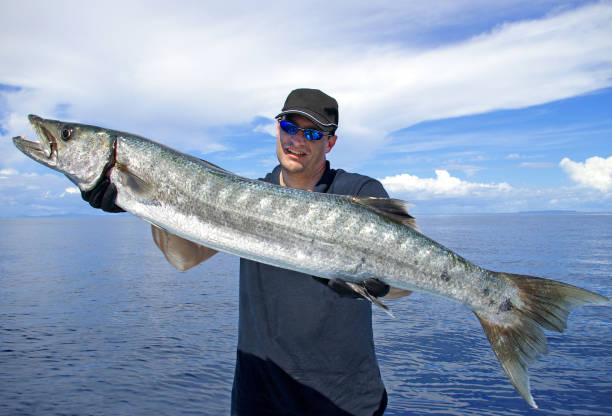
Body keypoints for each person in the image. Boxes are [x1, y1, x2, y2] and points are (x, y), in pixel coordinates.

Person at [83, 88, 411, 415]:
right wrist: (143, 204)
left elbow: (405, 283)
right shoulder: (246, 197)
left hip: (344, 401)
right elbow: (184, 258)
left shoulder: (359, 193)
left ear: (330, 142)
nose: (297, 141)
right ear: (277, 129)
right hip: (258, 398)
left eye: (311, 133)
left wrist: (374, 285)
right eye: (289, 128)